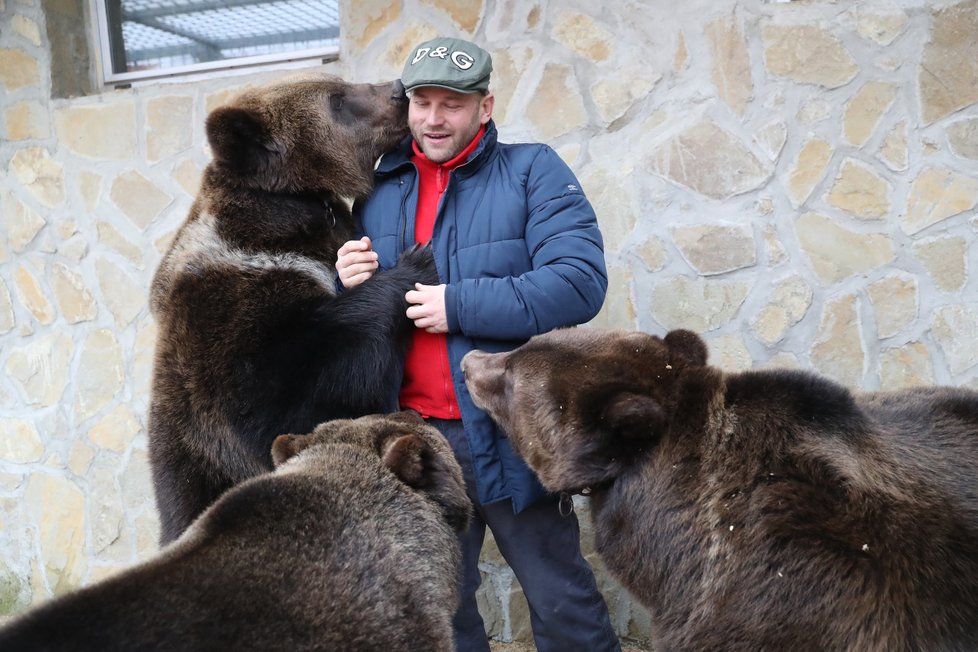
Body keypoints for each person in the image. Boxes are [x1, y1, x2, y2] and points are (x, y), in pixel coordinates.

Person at [336, 36, 620, 652]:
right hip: (412, 439)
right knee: (443, 611)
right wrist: (347, 279)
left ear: (484, 107)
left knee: (559, 597)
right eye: (422, 102)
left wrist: (458, 302)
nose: (434, 118)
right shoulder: (376, 190)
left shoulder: (532, 171)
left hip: (506, 425)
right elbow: (351, 319)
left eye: (452, 104)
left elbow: (579, 282)